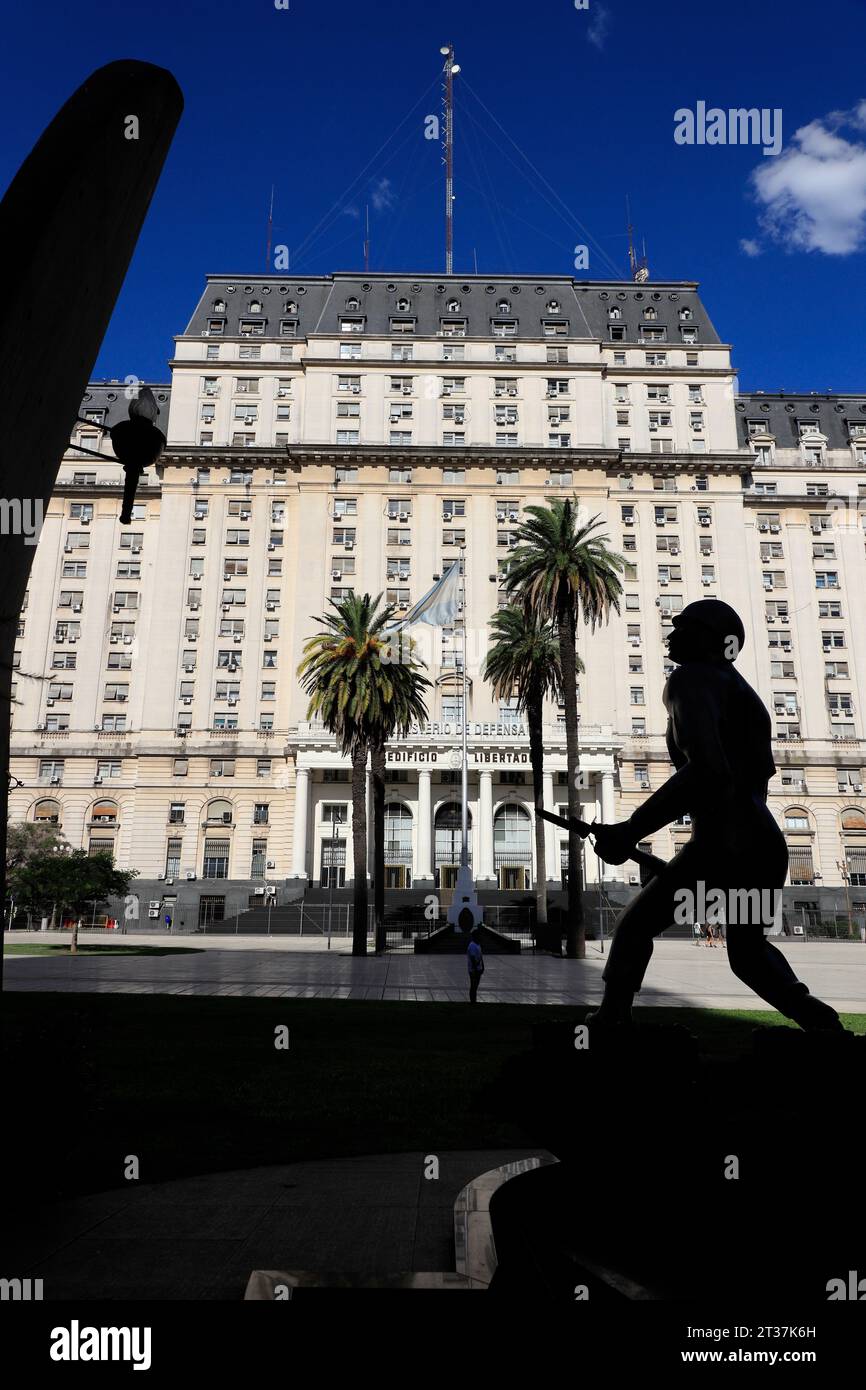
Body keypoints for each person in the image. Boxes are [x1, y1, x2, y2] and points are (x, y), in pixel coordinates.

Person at [587, 600, 842, 1032]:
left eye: (682, 627)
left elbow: (708, 770)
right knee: (748, 953)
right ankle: (821, 1023)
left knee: (634, 928)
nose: (671, 634)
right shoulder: (744, 694)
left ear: (710, 637)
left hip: (723, 842)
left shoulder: (690, 679)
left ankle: (611, 1021)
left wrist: (631, 830)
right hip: (761, 844)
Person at [467, 927, 484, 1004]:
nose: (480, 937)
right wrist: (476, 969)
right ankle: (472, 1001)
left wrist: (482, 966)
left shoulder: (478, 944)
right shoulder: (472, 946)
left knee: (475, 986)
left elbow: (480, 956)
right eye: (479, 935)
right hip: (474, 970)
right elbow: (473, 959)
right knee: (473, 986)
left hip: (478, 969)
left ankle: (474, 1000)